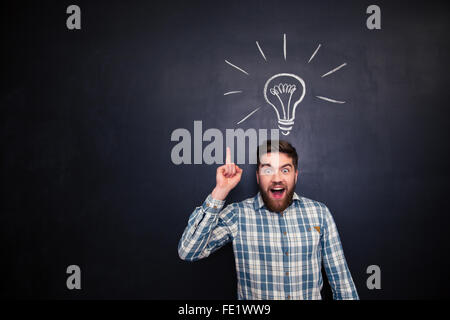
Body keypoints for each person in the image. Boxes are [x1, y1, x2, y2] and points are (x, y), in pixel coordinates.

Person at [178, 140, 359, 300]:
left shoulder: (319, 213)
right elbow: (188, 252)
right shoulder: (238, 215)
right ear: (258, 176)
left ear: (296, 175)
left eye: (285, 170)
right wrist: (220, 191)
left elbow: (342, 282)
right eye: (267, 170)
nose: (277, 178)